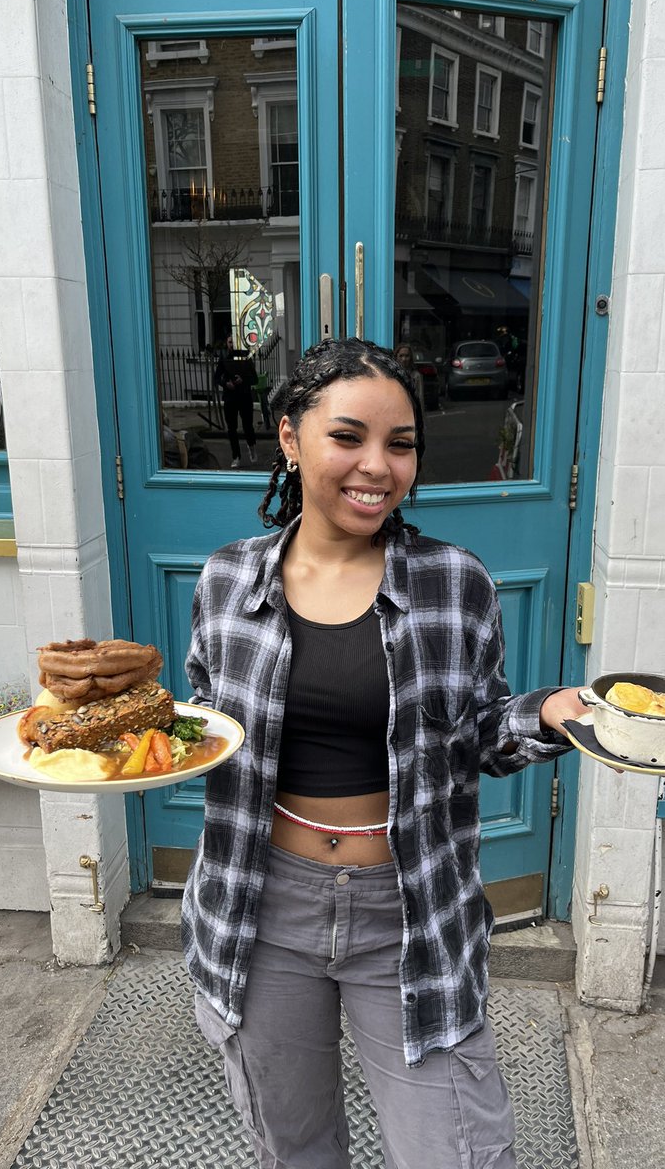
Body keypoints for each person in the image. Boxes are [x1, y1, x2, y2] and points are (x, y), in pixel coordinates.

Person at [182, 337, 590, 1168]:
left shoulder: (453, 581)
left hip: (409, 907)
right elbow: (203, 730)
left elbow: (478, 731)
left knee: (459, 1153)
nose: (377, 465)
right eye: (348, 437)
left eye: (400, 444)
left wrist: (549, 713)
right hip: (262, 906)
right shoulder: (226, 580)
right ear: (290, 439)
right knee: (292, 1147)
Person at [214, 333, 257, 467]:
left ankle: (252, 447)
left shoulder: (246, 357)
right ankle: (236, 457)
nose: (232, 344)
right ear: (227, 344)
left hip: (244, 396)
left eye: (234, 342)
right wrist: (226, 383)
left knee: (247, 426)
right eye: (229, 342)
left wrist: (243, 380)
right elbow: (216, 378)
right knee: (231, 429)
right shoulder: (224, 358)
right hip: (230, 397)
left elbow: (254, 379)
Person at [394, 341, 424, 413]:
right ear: (396, 357)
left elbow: (419, 398)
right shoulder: (392, 375)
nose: (404, 359)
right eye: (401, 356)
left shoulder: (416, 376)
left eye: (407, 356)